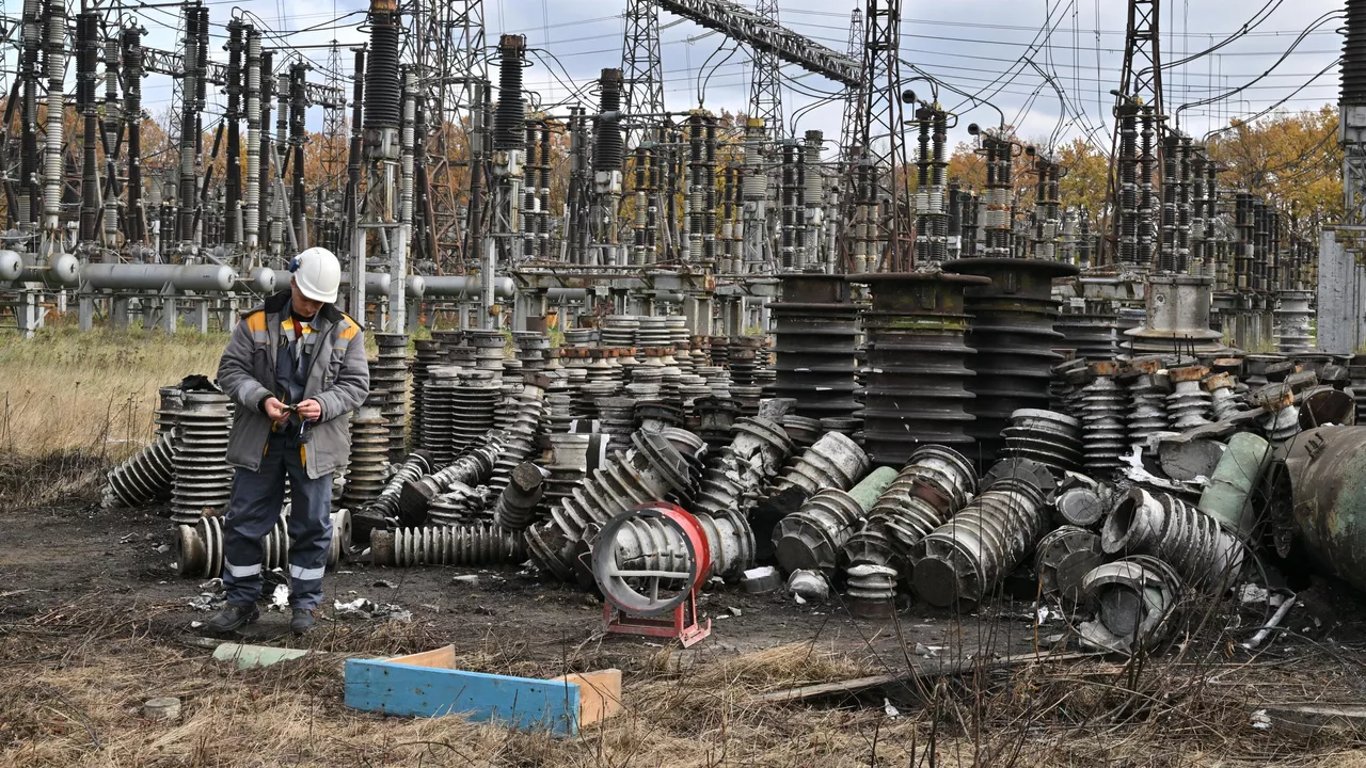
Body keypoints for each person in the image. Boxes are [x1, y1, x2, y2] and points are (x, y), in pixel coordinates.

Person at [206, 247, 369, 635]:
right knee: (244, 522)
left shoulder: (346, 330)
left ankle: (305, 608)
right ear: (293, 282)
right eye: (307, 297)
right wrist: (261, 399)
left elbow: (356, 385)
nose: (312, 305)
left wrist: (323, 405)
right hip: (262, 440)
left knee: (312, 525)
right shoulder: (256, 323)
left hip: (314, 443)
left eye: (320, 300)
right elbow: (230, 371)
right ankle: (241, 602)